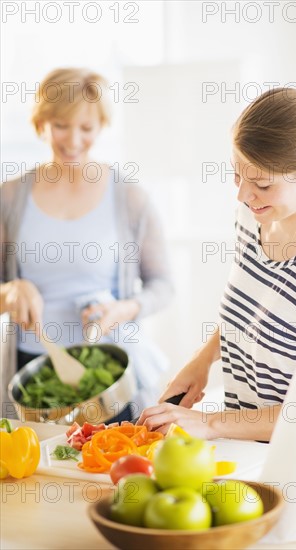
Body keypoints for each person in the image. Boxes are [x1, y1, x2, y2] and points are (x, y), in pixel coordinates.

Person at [137, 87, 296, 440]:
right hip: (245, 452)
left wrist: (211, 423)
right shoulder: (253, 218)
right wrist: (203, 359)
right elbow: (254, 312)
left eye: (262, 184)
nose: (242, 194)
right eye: (237, 175)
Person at [0, 67, 173, 420]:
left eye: (86, 128)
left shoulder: (129, 197)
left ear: (102, 126)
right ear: (41, 122)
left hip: (109, 374)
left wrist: (124, 310)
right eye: (61, 125)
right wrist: (10, 292)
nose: (73, 139)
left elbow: (163, 286)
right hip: (34, 370)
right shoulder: (10, 197)